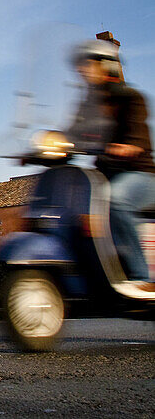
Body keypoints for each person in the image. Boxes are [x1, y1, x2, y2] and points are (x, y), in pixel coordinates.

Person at [68, 40, 155, 283]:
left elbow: (137, 138)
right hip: (105, 176)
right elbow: (70, 133)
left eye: (88, 64)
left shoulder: (131, 97)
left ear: (105, 66)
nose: (82, 70)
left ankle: (142, 278)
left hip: (142, 175)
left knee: (116, 199)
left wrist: (125, 146)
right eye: (80, 66)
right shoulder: (87, 105)